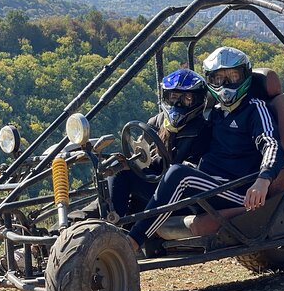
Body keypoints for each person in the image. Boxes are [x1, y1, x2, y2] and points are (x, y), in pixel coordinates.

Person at [127, 46, 284, 251]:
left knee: (179, 174)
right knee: (127, 172)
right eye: (218, 79)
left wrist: (263, 180)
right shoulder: (217, 113)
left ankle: (131, 244)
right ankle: (111, 231)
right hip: (209, 186)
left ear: (245, 76)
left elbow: (271, 144)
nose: (225, 84)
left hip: (238, 189)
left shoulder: (254, 108)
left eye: (233, 76)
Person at [78, 68, 210, 220]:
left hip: (178, 195)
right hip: (154, 184)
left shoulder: (204, 129)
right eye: (173, 97)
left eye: (186, 98)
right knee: (116, 170)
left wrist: (140, 171)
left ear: (198, 100)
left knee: (123, 176)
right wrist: (130, 164)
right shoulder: (156, 123)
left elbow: (191, 173)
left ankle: (110, 223)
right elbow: (145, 157)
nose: (178, 103)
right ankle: (78, 221)